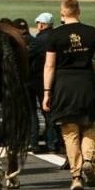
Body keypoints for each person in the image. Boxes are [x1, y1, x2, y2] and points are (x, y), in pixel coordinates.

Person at [42, 0, 95, 190]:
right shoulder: (92, 32)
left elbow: (49, 65)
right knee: (89, 126)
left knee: (70, 132)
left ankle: (76, 176)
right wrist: (91, 69)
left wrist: (47, 92)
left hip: (64, 85)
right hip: (87, 83)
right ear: (79, 11)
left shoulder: (54, 35)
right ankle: (88, 159)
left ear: (62, 12)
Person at [28, 12, 62, 153]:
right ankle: (53, 143)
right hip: (54, 79)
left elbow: (28, 56)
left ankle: (34, 142)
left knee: (33, 113)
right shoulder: (56, 37)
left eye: (38, 23)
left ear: (42, 24)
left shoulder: (39, 40)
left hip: (36, 80)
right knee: (50, 112)